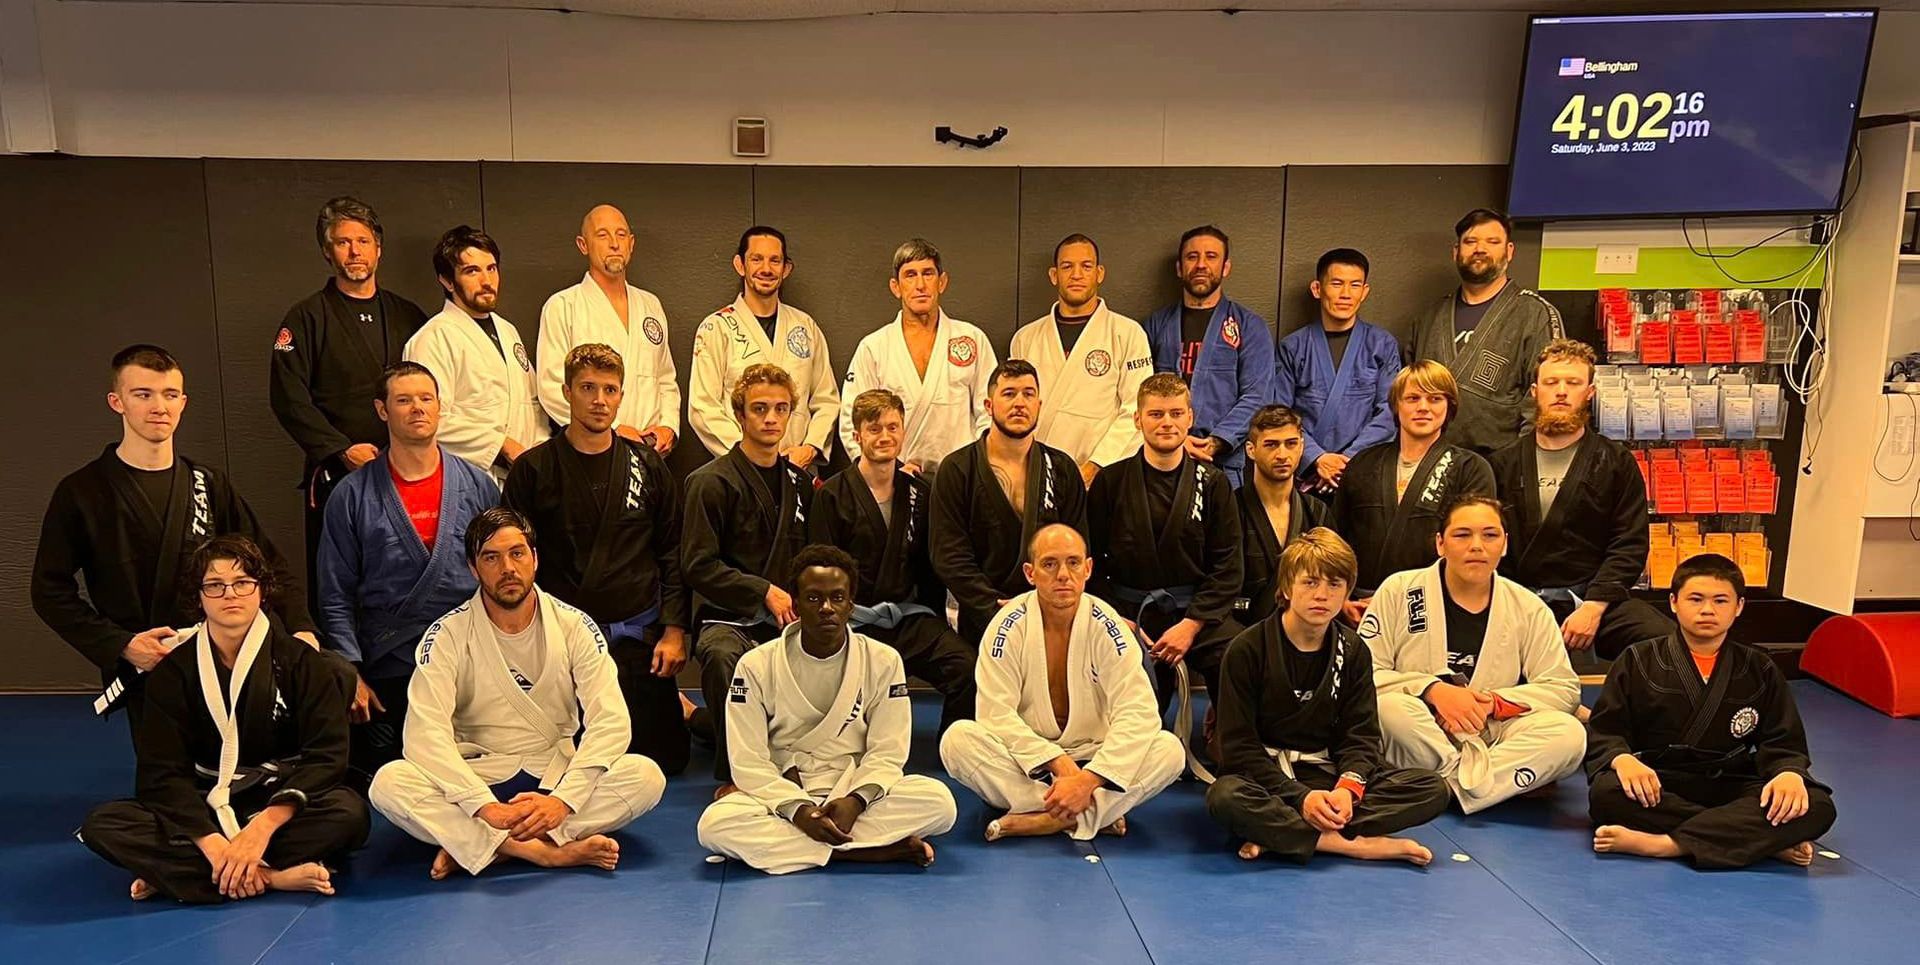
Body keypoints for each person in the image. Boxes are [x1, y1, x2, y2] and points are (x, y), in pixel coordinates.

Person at [368, 508, 665, 879]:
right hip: (479, 773)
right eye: (491, 557)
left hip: (554, 773)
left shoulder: (574, 626)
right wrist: (482, 805)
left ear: (535, 559)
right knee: (388, 783)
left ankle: (485, 846)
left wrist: (563, 800)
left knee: (646, 776)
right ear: (473, 569)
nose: (507, 568)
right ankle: (546, 852)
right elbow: (424, 735)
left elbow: (611, 722)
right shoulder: (447, 635)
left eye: (517, 553)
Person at [33, 345, 317, 731]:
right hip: (147, 665)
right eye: (143, 394)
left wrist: (300, 627)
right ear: (117, 402)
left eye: (169, 395)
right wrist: (121, 645)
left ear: (183, 402)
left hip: (221, 654)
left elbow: (266, 563)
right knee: (169, 786)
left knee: (244, 777)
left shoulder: (208, 483)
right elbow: (49, 591)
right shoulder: (82, 491)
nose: (159, 407)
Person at [79, 536, 367, 903]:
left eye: (243, 582)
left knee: (349, 814)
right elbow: (160, 773)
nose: (230, 594)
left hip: (273, 795)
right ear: (197, 597)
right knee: (104, 825)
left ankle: (179, 874)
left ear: (262, 590)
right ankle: (271, 876)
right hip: (205, 802)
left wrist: (263, 826)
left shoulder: (303, 662)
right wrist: (214, 845)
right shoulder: (173, 672)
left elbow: (327, 756)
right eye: (215, 585)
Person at [697, 545, 958, 874]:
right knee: (714, 825)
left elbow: (888, 752)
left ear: (851, 604)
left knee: (940, 803)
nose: (826, 609)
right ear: (795, 602)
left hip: (853, 786)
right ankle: (863, 852)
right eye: (813, 598)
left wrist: (857, 800)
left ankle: (805, 847)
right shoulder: (755, 665)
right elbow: (748, 761)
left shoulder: (882, 660)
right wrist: (797, 810)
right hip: (785, 787)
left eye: (837, 598)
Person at [1206, 529, 1449, 864]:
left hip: (1328, 772)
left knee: (1433, 789)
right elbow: (1238, 749)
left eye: (1334, 584)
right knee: (1225, 797)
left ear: (1348, 591)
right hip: (1267, 778)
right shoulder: (1247, 649)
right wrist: (1301, 798)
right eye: (1310, 582)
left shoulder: (1353, 651)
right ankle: (1351, 845)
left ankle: (1281, 834)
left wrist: (1347, 789)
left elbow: (1360, 735)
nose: (1322, 595)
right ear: (1287, 587)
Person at [505, 344, 692, 776]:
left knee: (666, 760)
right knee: (557, 764)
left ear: (621, 395)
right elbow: (513, 561)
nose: (599, 400)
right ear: (567, 391)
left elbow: (671, 550)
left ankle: (692, 716)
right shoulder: (533, 470)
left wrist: (674, 629)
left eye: (610, 390)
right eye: (588, 387)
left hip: (637, 639)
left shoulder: (646, 466)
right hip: (561, 646)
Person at [1586, 554, 1837, 868]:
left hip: (1731, 780)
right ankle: (1757, 841)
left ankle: (1668, 844)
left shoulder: (1759, 666)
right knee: (1607, 793)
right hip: (1660, 781)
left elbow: (1782, 741)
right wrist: (1621, 759)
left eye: (1721, 600)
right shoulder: (1638, 659)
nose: (1707, 610)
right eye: (1696, 599)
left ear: (1739, 607)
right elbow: (1607, 730)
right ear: (1674, 602)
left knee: (1816, 805)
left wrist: (1788, 773)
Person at [940, 525, 1183, 841]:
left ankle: (1045, 819)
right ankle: (1089, 814)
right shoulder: (1006, 627)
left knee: (1170, 750)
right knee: (957, 740)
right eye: (1050, 564)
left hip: (1096, 757)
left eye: (1073, 562)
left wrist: (1088, 780)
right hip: (1030, 766)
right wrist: (1058, 762)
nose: (1063, 575)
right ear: (1030, 573)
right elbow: (995, 714)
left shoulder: (1109, 626)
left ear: (1088, 568)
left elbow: (1138, 712)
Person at [317, 361, 497, 784]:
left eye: (425, 398)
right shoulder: (351, 496)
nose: (417, 408)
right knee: (393, 779)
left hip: (470, 660)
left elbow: (503, 577)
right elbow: (335, 593)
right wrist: (351, 672)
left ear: (439, 407)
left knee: (487, 770)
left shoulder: (477, 485)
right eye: (403, 400)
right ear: (382, 410)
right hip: (390, 666)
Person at [1360, 495, 1584, 814]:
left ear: (1504, 544)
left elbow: (1563, 688)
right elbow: (1362, 674)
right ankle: (1489, 786)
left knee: (1568, 734)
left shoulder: (1529, 607)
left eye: (1490, 535)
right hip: (1422, 726)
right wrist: (1432, 691)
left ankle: (1444, 789)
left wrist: (1492, 702)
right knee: (1389, 710)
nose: (1477, 545)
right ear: (1440, 543)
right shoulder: (1399, 590)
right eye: (1462, 534)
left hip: (1491, 729)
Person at [268, 197, 429, 616]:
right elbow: (288, 396)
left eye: (362, 240)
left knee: (408, 575)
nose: (354, 251)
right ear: (327, 251)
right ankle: (347, 674)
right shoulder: (306, 317)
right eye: (343, 242)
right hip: (339, 473)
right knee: (340, 584)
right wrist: (341, 449)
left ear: (378, 247)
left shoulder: (408, 315)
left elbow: (430, 388)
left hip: (405, 470)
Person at [1489, 338, 1672, 659]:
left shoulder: (1614, 461)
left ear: (1589, 392)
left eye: (1573, 383)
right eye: (1551, 382)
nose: (1561, 391)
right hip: (1515, 599)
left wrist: (1594, 607)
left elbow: (1629, 544)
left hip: (1589, 597)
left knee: (1666, 644)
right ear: (1535, 392)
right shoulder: (1502, 463)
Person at [809, 388, 976, 734]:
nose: (885, 436)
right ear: (857, 436)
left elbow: (931, 570)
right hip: (855, 623)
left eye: (892, 427)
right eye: (874, 429)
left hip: (908, 618)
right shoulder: (832, 494)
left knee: (966, 666)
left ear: (903, 431)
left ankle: (955, 745)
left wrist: (935, 620)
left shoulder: (920, 493)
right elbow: (821, 571)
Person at [682, 365, 815, 787]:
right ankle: (737, 774)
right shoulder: (709, 482)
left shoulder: (802, 484)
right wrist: (762, 592)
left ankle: (702, 721)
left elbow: (813, 556)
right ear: (740, 415)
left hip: (787, 618)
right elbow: (697, 564)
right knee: (725, 661)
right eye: (760, 409)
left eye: (781, 409)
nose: (771, 418)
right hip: (727, 618)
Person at [1088, 373, 1243, 712]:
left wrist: (1191, 625)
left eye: (1175, 413)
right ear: (1138, 419)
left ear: (1190, 417)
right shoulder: (1110, 483)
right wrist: (1114, 617)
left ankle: (1230, 742)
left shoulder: (1214, 484)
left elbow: (1228, 566)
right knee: (1134, 700)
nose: (1167, 423)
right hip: (1128, 613)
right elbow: (1091, 564)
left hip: (1194, 612)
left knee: (1235, 651)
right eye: (1156, 414)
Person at [931, 359, 1090, 648]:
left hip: (1051, 612)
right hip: (984, 616)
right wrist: (993, 606)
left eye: (1028, 394)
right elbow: (949, 555)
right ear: (988, 405)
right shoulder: (957, 469)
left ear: (1039, 405)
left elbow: (1078, 545)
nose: (1020, 403)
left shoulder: (1062, 468)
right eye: (1009, 393)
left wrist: (1051, 600)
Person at [1334, 361, 1494, 604]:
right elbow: (1336, 538)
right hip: (1358, 604)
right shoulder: (1363, 464)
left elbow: (1473, 546)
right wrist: (1342, 598)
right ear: (1396, 406)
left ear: (1449, 407)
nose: (1423, 407)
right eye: (1412, 398)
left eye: (1434, 399)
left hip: (1436, 602)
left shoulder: (1471, 469)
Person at [1407, 208, 1564, 455]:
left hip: (1501, 464)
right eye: (1470, 241)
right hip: (1431, 460)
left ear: (1509, 251)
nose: (1480, 249)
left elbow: (1546, 398)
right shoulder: (1429, 318)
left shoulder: (1535, 314)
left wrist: (1521, 466)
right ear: (1456, 251)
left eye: (1492, 241)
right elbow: (1409, 393)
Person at [839, 238, 998, 476]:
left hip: (961, 477)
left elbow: (991, 411)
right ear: (896, 286)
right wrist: (885, 469)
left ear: (942, 282)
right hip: (895, 477)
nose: (920, 284)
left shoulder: (971, 339)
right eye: (910, 275)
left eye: (928, 274)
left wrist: (976, 466)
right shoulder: (874, 347)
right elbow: (853, 419)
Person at [403, 225, 549, 482]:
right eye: (472, 271)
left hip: (523, 476)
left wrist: (537, 451)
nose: (486, 281)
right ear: (447, 280)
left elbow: (532, 403)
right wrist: (501, 445)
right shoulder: (432, 339)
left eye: (491, 269)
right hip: (469, 479)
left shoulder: (507, 330)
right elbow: (429, 421)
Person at [688, 226, 839, 472]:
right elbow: (703, 407)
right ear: (740, 264)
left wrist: (810, 447)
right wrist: (749, 456)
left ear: (786, 269)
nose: (766, 269)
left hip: (798, 467)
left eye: (775, 260)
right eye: (756, 259)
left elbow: (827, 399)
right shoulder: (716, 327)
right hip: (740, 471)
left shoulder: (805, 327)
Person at [535, 204, 680, 453]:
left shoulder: (650, 305)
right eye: (602, 235)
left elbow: (665, 378)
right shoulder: (563, 306)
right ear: (583, 245)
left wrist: (668, 426)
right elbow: (551, 386)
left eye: (621, 235)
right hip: (590, 449)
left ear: (631, 243)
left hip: (650, 451)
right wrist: (614, 428)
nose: (614, 243)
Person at [1009, 233, 1152, 484]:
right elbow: (1014, 407)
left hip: (1104, 474)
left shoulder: (1127, 333)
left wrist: (1096, 465)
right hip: (1038, 472)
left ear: (1099, 273)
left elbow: (1136, 409)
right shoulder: (1026, 338)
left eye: (1086, 266)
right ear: (1054, 275)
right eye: (1067, 266)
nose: (1076, 274)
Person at [1141, 225, 1276, 482]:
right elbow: (1138, 393)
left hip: (1223, 463)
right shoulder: (1155, 326)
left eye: (1211, 257)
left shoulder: (1249, 326)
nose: (1201, 264)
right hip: (1161, 458)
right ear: (1179, 268)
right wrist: (1173, 440)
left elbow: (1258, 395)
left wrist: (1215, 442)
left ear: (1225, 267)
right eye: (1192, 257)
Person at [1274, 248, 1401, 494]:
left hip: (1363, 472)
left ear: (1364, 292)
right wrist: (1317, 458)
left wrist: (1347, 462)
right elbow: (1280, 412)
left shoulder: (1382, 344)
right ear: (1317, 289)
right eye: (1336, 283)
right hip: (1306, 476)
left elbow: (1390, 412)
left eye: (1354, 285)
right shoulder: (1293, 347)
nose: (1345, 294)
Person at [1235, 405, 1331, 625]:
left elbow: (1331, 575)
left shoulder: (1317, 512)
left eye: (1291, 444)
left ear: (1301, 447)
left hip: (1306, 630)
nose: (1282, 455)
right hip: (1241, 630)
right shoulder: (1230, 509)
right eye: (1271, 445)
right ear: (1251, 450)